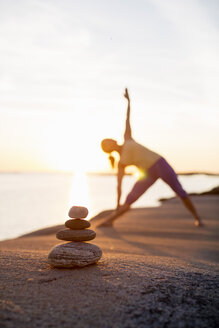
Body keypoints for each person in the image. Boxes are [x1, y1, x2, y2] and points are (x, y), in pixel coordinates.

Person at [99, 88, 204, 227]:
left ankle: (197, 218)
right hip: (147, 173)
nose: (111, 140)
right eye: (107, 142)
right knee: (131, 198)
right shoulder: (121, 163)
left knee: (179, 191)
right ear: (108, 149)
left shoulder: (127, 138)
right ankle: (110, 221)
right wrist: (117, 204)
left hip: (159, 164)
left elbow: (127, 118)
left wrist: (129, 101)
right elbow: (119, 186)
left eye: (109, 139)